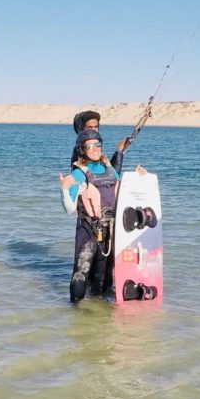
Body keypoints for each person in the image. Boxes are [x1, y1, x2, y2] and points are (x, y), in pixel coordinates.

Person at [59, 129, 120, 303]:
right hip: (88, 231)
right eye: (89, 146)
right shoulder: (78, 174)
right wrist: (64, 189)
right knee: (81, 272)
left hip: (109, 232)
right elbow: (69, 209)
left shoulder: (110, 170)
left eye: (97, 145)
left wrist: (140, 178)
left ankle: (99, 313)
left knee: (103, 276)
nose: (94, 149)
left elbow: (122, 192)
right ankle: (76, 313)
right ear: (82, 150)